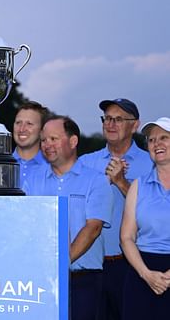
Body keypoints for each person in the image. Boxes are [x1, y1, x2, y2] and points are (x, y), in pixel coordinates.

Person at [23, 115, 112, 320]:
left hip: (83, 280)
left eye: (53, 139)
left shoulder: (96, 181)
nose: (47, 145)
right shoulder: (32, 180)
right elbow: (25, 224)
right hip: (39, 280)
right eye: (43, 140)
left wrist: (61, 263)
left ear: (73, 142)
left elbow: (93, 228)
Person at [79, 98, 152, 320]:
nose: (111, 124)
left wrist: (121, 182)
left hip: (132, 265)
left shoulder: (151, 163)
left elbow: (153, 213)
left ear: (135, 125)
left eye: (118, 119)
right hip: (90, 266)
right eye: (107, 118)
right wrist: (101, 183)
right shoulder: (85, 162)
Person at [120, 117, 170, 320]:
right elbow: (126, 238)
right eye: (151, 140)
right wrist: (147, 275)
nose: (156, 144)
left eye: (164, 138)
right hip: (142, 273)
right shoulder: (138, 186)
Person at [12, 101, 50, 187]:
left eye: (29, 124)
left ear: (42, 131)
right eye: (18, 123)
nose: (22, 129)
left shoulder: (54, 169)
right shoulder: (0, 166)